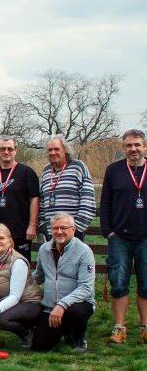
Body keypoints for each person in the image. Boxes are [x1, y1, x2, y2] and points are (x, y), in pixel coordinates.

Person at [100, 128, 147, 344]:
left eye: (137, 145)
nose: (133, 149)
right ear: (123, 148)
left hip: (145, 237)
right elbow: (105, 203)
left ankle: (145, 328)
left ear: (144, 147)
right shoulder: (114, 170)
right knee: (119, 283)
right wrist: (108, 231)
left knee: (146, 285)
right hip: (119, 236)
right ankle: (119, 328)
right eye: (129, 145)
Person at [32, 213, 95, 353]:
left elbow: (86, 288)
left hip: (77, 304)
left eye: (63, 228)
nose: (59, 231)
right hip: (50, 307)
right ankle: (64, 330)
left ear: (73, 229)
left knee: (76, 312)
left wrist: (62, 305)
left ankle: (78, 338)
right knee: (39, 346)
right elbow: (38, 276)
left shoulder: (84, 251)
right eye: (55, 228)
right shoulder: (44, 249)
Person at [0, 224, 42, 348]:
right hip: (5, 299)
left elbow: (15, 296)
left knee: (0, 319)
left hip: (28, 302)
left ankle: (27, 332)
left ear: (10, 241)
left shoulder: (18, 262)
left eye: (1, 238)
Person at [0, 136, 40, 261]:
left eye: (10, 148)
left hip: (20, 232)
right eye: (2, 149)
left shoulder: (27, 172)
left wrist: (32, 225)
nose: (6, 152)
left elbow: (35, 199)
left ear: (15, 151)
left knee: (20, 265)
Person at [39, 135, 96, 241]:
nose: (53, 152)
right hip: (51, 233)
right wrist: (43, 226)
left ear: (65, 150)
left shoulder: (78, 167)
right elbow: (41, 201)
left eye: (56, 149)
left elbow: (88, 200)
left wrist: (76, 229)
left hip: (72, 233)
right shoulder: (46, 171)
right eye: (50, 150)